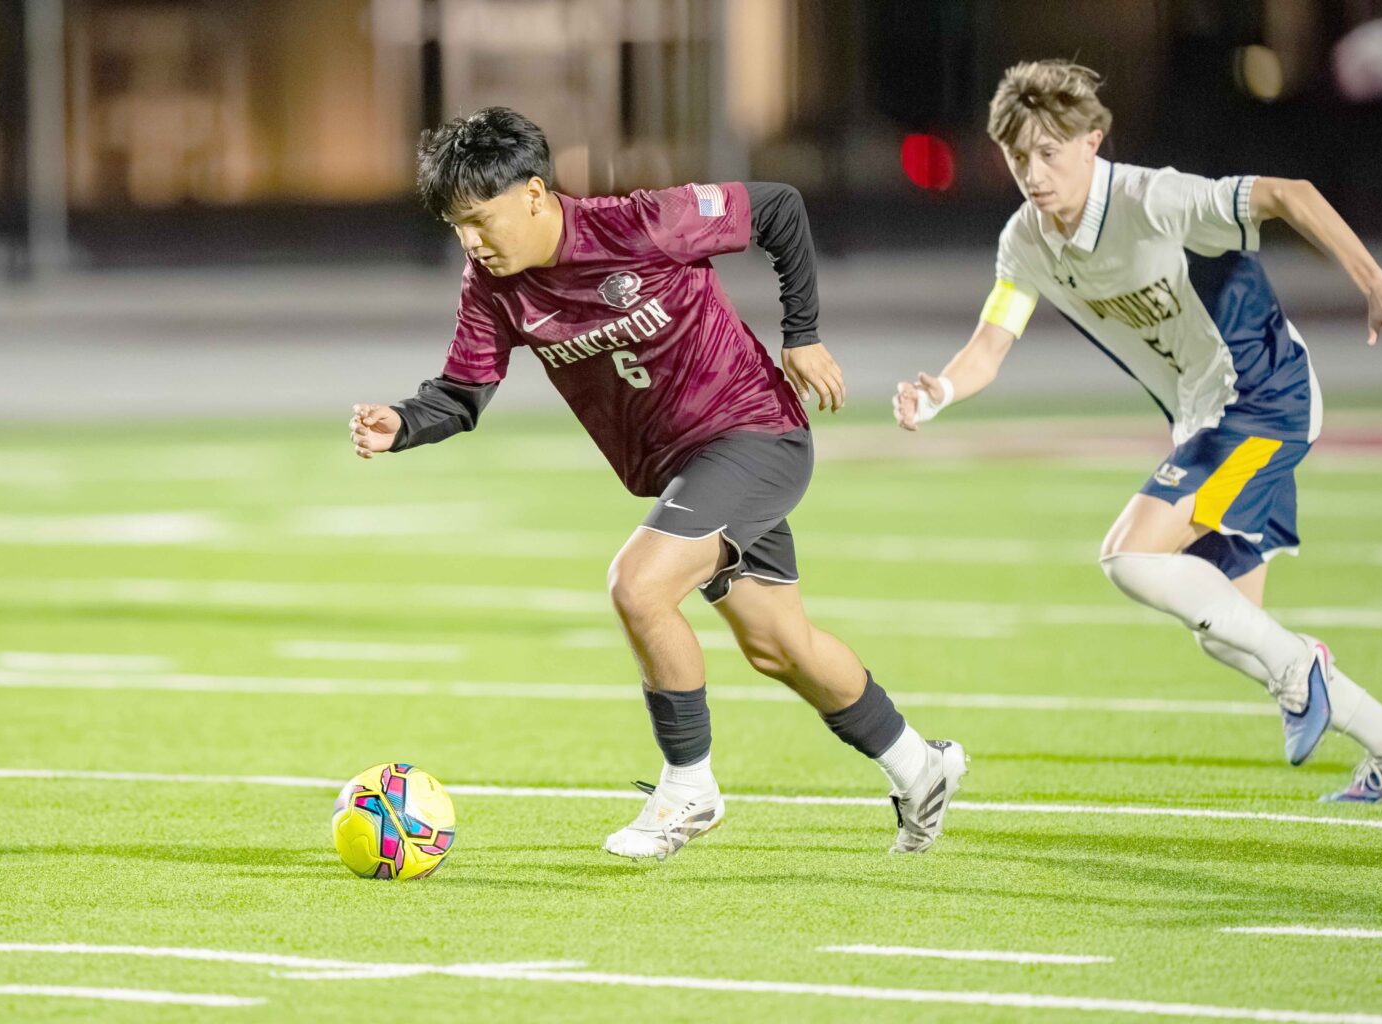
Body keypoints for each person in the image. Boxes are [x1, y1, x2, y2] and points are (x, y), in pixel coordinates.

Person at [352, 108, 966, 856]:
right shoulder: (492, 286)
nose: (471, 241)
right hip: (690, 469)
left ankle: (689, 792)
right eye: (456, 226)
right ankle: (919, 766)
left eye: (481, 219)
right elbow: (462, 393)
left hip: (753, 432)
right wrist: (403, 422)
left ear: (536, 194)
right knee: (780, 646)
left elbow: (778, 207)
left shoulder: (640, 223)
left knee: (637, 585)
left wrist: (800, 335)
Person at [893, 60, 1382, 802]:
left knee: (1130, 557)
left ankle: (1305, 674)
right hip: (1205, 420)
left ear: (1092, 141)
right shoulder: (1026, 240)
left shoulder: (1155, 200)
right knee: (1225, 625)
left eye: (1049, 152)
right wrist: (939, 389)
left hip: (1262, 405)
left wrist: (1374, 282)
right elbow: (993, 343)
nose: (1033, 173)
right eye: (1016, 157)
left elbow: (1290, 195)